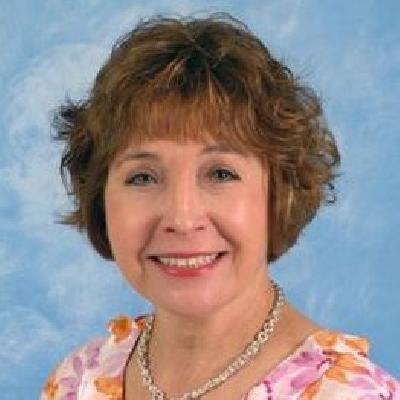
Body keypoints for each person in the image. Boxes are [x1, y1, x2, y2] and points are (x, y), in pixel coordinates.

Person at [40, 13, 399, 400]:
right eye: (142, 177)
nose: (182, 218)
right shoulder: (78, 380)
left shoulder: (347, 394)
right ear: (100, 198)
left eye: (221, 174)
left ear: (279, 192)